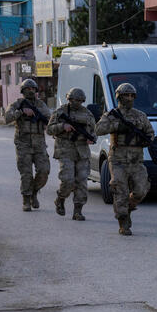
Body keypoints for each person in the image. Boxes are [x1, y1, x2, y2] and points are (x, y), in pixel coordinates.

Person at [95, 83, 155, 236]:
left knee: (141, 190)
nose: (129, 98)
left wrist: (145, 140)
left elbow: (150, 133)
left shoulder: (140, 116)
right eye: (125, 95)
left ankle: (127, 207)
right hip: (118, 160)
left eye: (131, 96)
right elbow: (98, 129)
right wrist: (117, 126)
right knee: (119, 190)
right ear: (119, 97)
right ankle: (123, 221)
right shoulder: (112, 115)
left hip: (136, 160)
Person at [47, 87, 96, 221]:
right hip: (65, 150)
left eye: (79, 100)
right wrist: (62, 127)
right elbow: (49, 130)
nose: (76, 102)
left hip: (82, 151)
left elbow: (93, 131)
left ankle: (78, 211)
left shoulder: (87, 114)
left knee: (82, 182)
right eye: (73, 100)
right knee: (67, 179)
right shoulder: (60, 112)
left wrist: (91, 138)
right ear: (69, 99)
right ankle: (60, 199)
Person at [4, 78, 51, 211]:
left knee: (44, 171)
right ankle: (26, 199)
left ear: (36, 91)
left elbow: (48, 118)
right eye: (27, 89)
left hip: (39, 144)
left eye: (32, 89)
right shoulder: (17, 104)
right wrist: (21, 112)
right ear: (23, 91)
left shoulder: (41, 105)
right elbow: (7, 118)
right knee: (26, 174)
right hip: (23, 144)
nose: (30, 91)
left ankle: (34, 192)